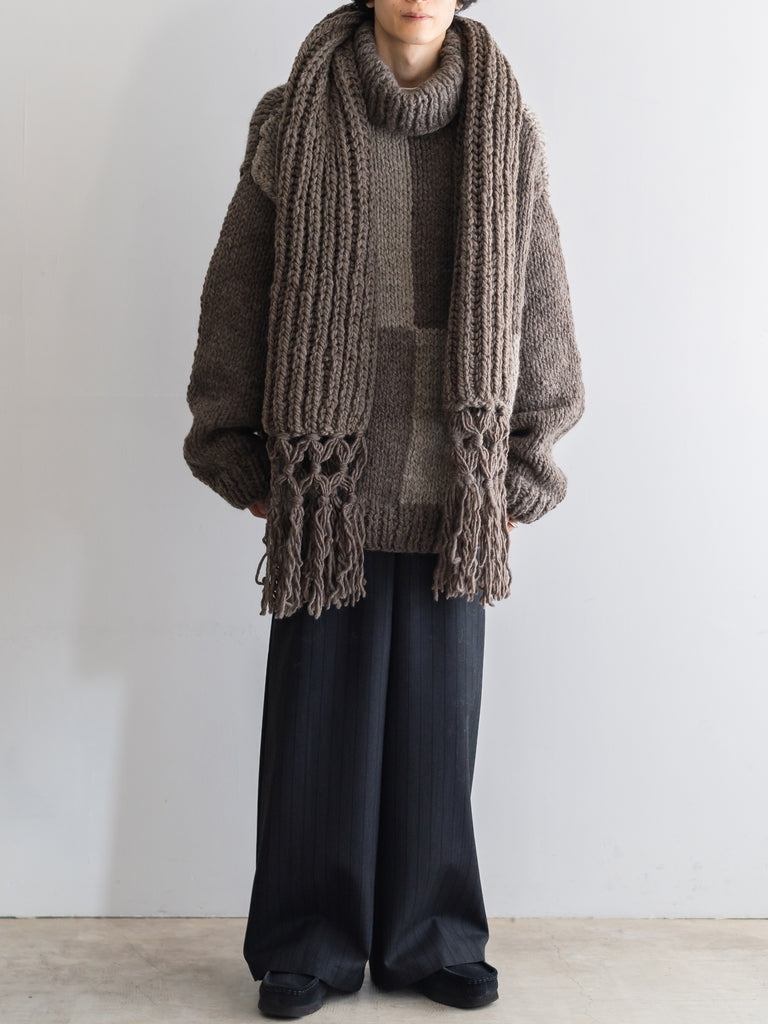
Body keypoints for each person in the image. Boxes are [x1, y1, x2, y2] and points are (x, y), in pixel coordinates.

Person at [183, 0, 585, 1017]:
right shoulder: (295, 116)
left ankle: (432, 936)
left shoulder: (506, 126)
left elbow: (540, 295)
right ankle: (307, 944)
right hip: (329, 481)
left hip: (454, 481)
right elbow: (239, 286)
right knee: (318, 723)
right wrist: (232, 443)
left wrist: (525, 461)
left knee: (437, 730)